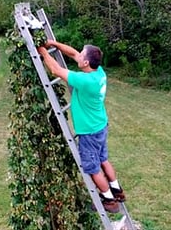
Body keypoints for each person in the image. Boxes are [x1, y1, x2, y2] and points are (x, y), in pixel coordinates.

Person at [37, 40, 125, 213]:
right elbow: (72, 53)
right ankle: (117, 190)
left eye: (82, 53)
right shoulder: (97, 72)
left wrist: (42, 51)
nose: (79, 53)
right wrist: (52, 43)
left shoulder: (84, 81)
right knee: (103, 159)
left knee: (92, 167)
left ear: (86, 63)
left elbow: (55, 70)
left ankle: (109, 200)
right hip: (100, 125)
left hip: (90, 131)